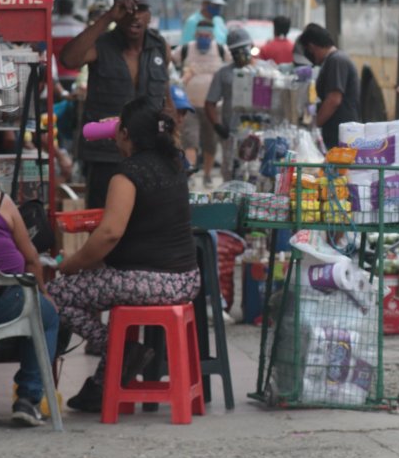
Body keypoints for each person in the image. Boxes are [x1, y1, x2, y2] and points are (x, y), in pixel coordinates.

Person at [48, 100, 200, 413]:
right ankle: (102, 386)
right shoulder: (174, 164)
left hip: (150, 280)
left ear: (126, 135)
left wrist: (71, 265)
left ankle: (122, 349)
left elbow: (109, 233)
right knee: (92, 286)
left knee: (53, 295)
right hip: (185, 278)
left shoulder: (127, 175)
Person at [60, 0, 174, 209]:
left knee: (146, 217)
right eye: (127, 10)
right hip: (106, 153)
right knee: (103, 214)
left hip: (149, 150)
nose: (135, 15)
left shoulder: (160, 48)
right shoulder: (100, 46)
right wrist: (107, 18)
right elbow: (69, 60)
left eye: (141, 9)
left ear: (149, 15)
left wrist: (172, 143)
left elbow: (165, 96)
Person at [0, 188, 59, 426]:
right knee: (46, 315)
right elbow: (31, 259)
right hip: (6, 301)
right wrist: (44, 293)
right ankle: (28, 398)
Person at [177, 20, 228, 185]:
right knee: (190, 140)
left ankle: (207, 175)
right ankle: (190, 174)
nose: (203, 39)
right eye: (200, 35)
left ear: (212, 36)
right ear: (195, 35)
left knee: (210, 143)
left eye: (206, 36)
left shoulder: (220, 50)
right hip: (189, 106)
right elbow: (169, 59)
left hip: (212, 108)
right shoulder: (186, 49)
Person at [298, 24, 361, 150]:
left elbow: (333, 100)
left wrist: (314, 127)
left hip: (341, 136)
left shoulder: (336, 61)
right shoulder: (333, 60)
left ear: (311, 47)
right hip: (337, 134)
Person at [204, 28, 254, 182]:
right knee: (231, 174)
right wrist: (218, 126)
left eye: (244, 49)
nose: (241, 54)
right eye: (236, 52)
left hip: (256, 133)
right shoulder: (224, 73)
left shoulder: (262, 71)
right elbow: (210, 103)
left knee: (254, 173)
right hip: (232, 133)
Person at [51, 0, 86, 87]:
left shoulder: (50, 27)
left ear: (58, 9)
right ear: (72, 10)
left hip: (54, 77)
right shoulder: (81, 28)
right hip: (77, 76)